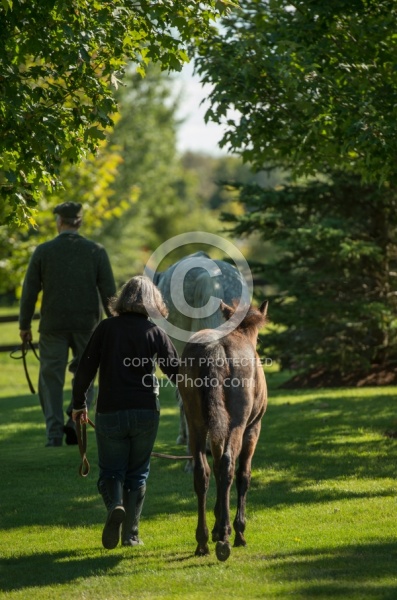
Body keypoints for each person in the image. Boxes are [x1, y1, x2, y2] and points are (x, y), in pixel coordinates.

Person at [71, 275, 179, 550]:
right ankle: (131, 535)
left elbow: (84, 370)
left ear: (123, 298)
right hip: (146, 412)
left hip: (110, 411)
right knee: (138, 473)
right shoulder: (155, 332)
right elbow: (177, 373)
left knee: (111, 470)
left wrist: (79, 405)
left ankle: (115, 506)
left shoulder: (106, 328)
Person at [19, 201, 116, 447]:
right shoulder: (96, 251)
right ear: (79, 222)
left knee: (50, 378)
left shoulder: (43, 251)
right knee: (85, 376)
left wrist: (24, 325)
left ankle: (53, 434)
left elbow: (29, 291)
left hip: (53, 325)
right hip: (88, 325)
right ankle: (76, 422)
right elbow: (109, 293)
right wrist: (115, 324)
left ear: (59, 222)